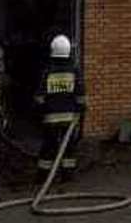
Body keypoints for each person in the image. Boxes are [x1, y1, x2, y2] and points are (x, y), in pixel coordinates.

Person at [34, 34, 86, 179]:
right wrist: (80, 111)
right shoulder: (74, 71)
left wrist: (41, 112)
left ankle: (43, 175)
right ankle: (67, 175)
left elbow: (39, 97)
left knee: (48, 147)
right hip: (69, 119)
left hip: (50, 118)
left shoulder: (47, 72)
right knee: (68, 147)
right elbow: (81, 95)